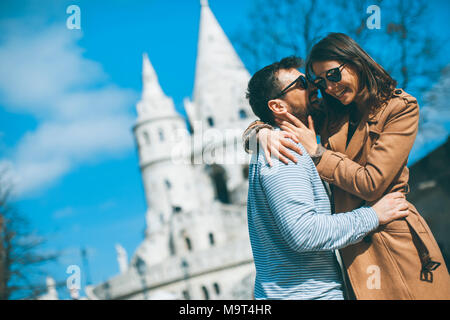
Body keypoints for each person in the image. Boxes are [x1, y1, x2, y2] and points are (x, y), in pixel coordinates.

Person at [243, 33, 450, 299]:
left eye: (332, 76)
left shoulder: (400, 108)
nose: (327, 88)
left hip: (393, 238)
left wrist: (318, 154)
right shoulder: (332, 113)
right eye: (316, 82)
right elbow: (280, 116)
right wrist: (258, 133)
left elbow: (373, 183)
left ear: (354, 62)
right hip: (353, 249)